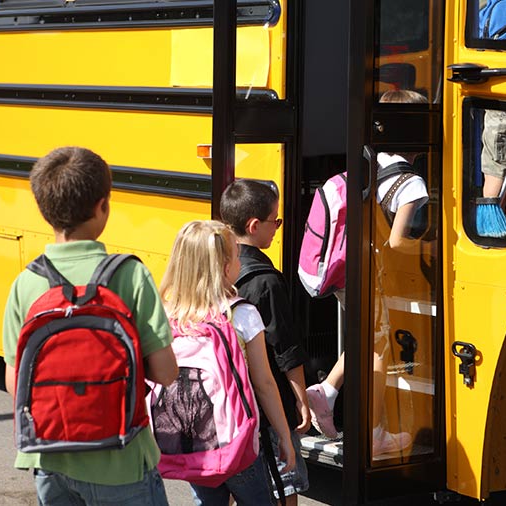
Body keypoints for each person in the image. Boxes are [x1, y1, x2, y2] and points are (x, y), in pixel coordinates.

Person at [1, 146, 179, 505]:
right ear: (103, 206)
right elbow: (165, 373)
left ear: (43, 210)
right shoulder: (130, 274)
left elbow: (14, 381)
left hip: (50, 458)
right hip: (122, 458)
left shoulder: (27, 282)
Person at [305, 88, 427, 458]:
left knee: (366, 339)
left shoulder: (373, 160)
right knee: (378, 351)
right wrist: (431, 248)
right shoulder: (412, 183)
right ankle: (373, 433)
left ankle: (326, 391)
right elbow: (395, 242)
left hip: (349, 270)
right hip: (375, 276)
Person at [160, 219, 296, 505]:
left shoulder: (167, 314)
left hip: (190, 441)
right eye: (236, 256)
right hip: (237, 446)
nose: (239, 262)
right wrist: (285, 435)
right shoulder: (241, 314)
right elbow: (264, 383)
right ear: (224, 268)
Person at [220, 179, 312, 504]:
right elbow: (285, 349)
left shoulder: (219, 272)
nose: (278, 227)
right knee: (285, 490)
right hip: (268, 411)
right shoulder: (266, 282)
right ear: (255, 225)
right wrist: (301, 400)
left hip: (230, 408)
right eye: (276, 220)